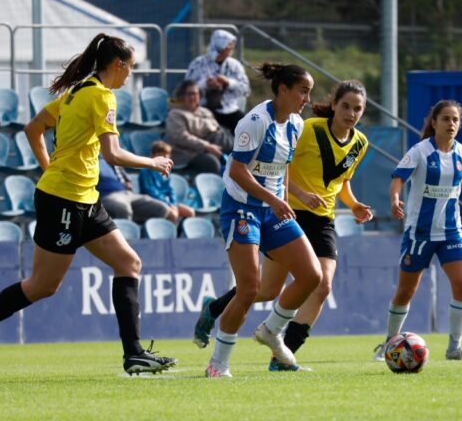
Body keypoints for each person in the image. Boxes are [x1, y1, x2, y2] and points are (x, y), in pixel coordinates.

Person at [0, 33, 178, 376]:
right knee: (42, 286)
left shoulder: (76, 92)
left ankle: (134, 354)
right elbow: (112, 153)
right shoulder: (100, 96)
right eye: (130, 67)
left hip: (84, 198)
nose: (130, 75)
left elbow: (32, 128)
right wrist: (153, 162)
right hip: (64, 201)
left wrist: (49, 166)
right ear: (118, 64)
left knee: (129, 262)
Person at [193, 80, 374, 372]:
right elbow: (281, 162)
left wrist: (353, 205)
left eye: (358, 109)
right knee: (261, 290)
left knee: (321, 283)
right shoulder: (308, 128)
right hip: (287, 210)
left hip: (322, 218)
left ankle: (281, 354)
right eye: (345, 106)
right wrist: (294, 196)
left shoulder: (360, 143)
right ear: (334, 104)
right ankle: (215, 311)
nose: (351, 113)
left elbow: (342, 181)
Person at [204, 62, 322, 378]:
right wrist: (274, 199)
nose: (307, 99)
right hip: (241, 209)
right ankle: (217, 365)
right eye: (303, 91)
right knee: (248, 289)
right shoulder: (255, 121)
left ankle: (271, 331)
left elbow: (281, 167)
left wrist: (282, 198)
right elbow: (237, 171)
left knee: (312, 275)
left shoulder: (295, 124)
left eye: (309, 93)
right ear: (282, 90)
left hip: (272, 211)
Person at [372, 99, 462, 362]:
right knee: (405, 292)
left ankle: (454, 347)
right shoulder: (420, 151)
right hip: (419, 233)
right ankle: (389, 344)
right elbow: (398, 179)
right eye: (445, 119)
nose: (451, 124)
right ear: (434, 123)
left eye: (455, 119)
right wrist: (395, 200)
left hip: (451, 232)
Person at [184, 29, 250, 134]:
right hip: (203, 109)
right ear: (221, 46)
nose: (232, 47)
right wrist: (206, 83)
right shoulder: (198, 63)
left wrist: (228, 82)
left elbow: (245, 89)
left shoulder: (235, 65)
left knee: (246, 129)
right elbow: (186, 87)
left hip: (230, 109)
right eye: (229, 44)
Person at [164, 79, 233, 175]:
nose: (192, 97)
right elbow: (181, 137)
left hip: (211, 146)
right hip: (185, 153)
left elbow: (216, 129)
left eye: (195, 94)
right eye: (189, 94)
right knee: (211, 163)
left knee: (238, 155)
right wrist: (206, 146)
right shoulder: (175, 114)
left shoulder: (205, 112)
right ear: (182, 96)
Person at [97, 154, 174, 224]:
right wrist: (152, 162)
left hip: (127, 193)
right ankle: (126, 237)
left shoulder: (109, 159)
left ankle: (144, 235)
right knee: (123, 209)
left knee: (162, 209)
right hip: (108, 196)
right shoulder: (91, 161)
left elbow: (125, 178)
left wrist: (128, 182)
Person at [138, 141, 196, 223]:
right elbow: (150, 192)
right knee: (173, 214)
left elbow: (170, 189)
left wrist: (172, 202)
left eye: (167, 155)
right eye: (162, 155)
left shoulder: (165, 171)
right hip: (153, 202)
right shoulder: (145, 172)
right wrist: (167, 203)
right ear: (153, 155)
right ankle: (170, 235)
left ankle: (181, 233)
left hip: (167, 202)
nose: (165, 157)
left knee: (190, 212)